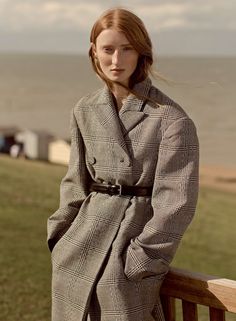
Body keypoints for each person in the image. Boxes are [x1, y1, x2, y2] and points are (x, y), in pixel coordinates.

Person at [47, 7, 199, 321]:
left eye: (127, 49)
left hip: (129, 252)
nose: (116, 60)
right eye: (108, 49)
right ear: (94, 52)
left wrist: (143, 260)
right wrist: (60, 234)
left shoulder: (171, 120)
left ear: (142, 52)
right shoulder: (85, 109)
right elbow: (75, 181)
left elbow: (177, 204)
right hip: (79, 245)